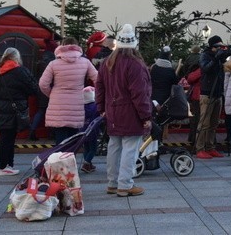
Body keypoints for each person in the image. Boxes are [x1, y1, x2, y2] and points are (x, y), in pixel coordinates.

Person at [96, 24, 152, 198]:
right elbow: (139, 93)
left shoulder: (107, 63)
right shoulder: (135, 65)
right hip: (130, 112)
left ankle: (112, 183)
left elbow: (99, 87)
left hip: (112, 111)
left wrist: (101, 109)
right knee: (130, 149)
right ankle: (125, 185)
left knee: (114, 146)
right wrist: (146, 116)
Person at [0, 47, 39, 176]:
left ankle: (8, 165)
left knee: (5, 138)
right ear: (16, 57)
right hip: (13, 110)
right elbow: (33, 89)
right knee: (7, 140)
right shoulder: (20, 71)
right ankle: (3, 167)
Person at [39, 40, 98, 145]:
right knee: (73, 141)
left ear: (62, 46)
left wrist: (51, 94)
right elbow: (98, 79)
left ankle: (58, 160)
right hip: (77, 104)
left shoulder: (53, 64)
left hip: (57, 105)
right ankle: (70, 160)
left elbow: (43, 84)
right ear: (77, 46)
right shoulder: (85, 62)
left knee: (60, 142)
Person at [195, 36, 228, 159]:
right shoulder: (205, 55)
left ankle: (210, 147)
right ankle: (200, 148)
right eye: (218, 47)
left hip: (218, 93)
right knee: (204, 123)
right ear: (212, 47)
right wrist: (216, 58)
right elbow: (205, 68)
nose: (220, 49)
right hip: (207, 93)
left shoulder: (220, 58)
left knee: (214, 124)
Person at [29, 41, 57, 140]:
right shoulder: (53, 62)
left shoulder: (39, 60)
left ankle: (32, 130)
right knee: (53, 112)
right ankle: (52, 133)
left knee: (41, 111)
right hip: (50, 89)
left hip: (39, 90)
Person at [79, 86, 100, 173]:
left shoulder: (81, 107)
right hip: (92, 131)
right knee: (93, 149)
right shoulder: (95, 106)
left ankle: (89, 165)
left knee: (86, 148)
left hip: (82, 130)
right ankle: (86, 163)